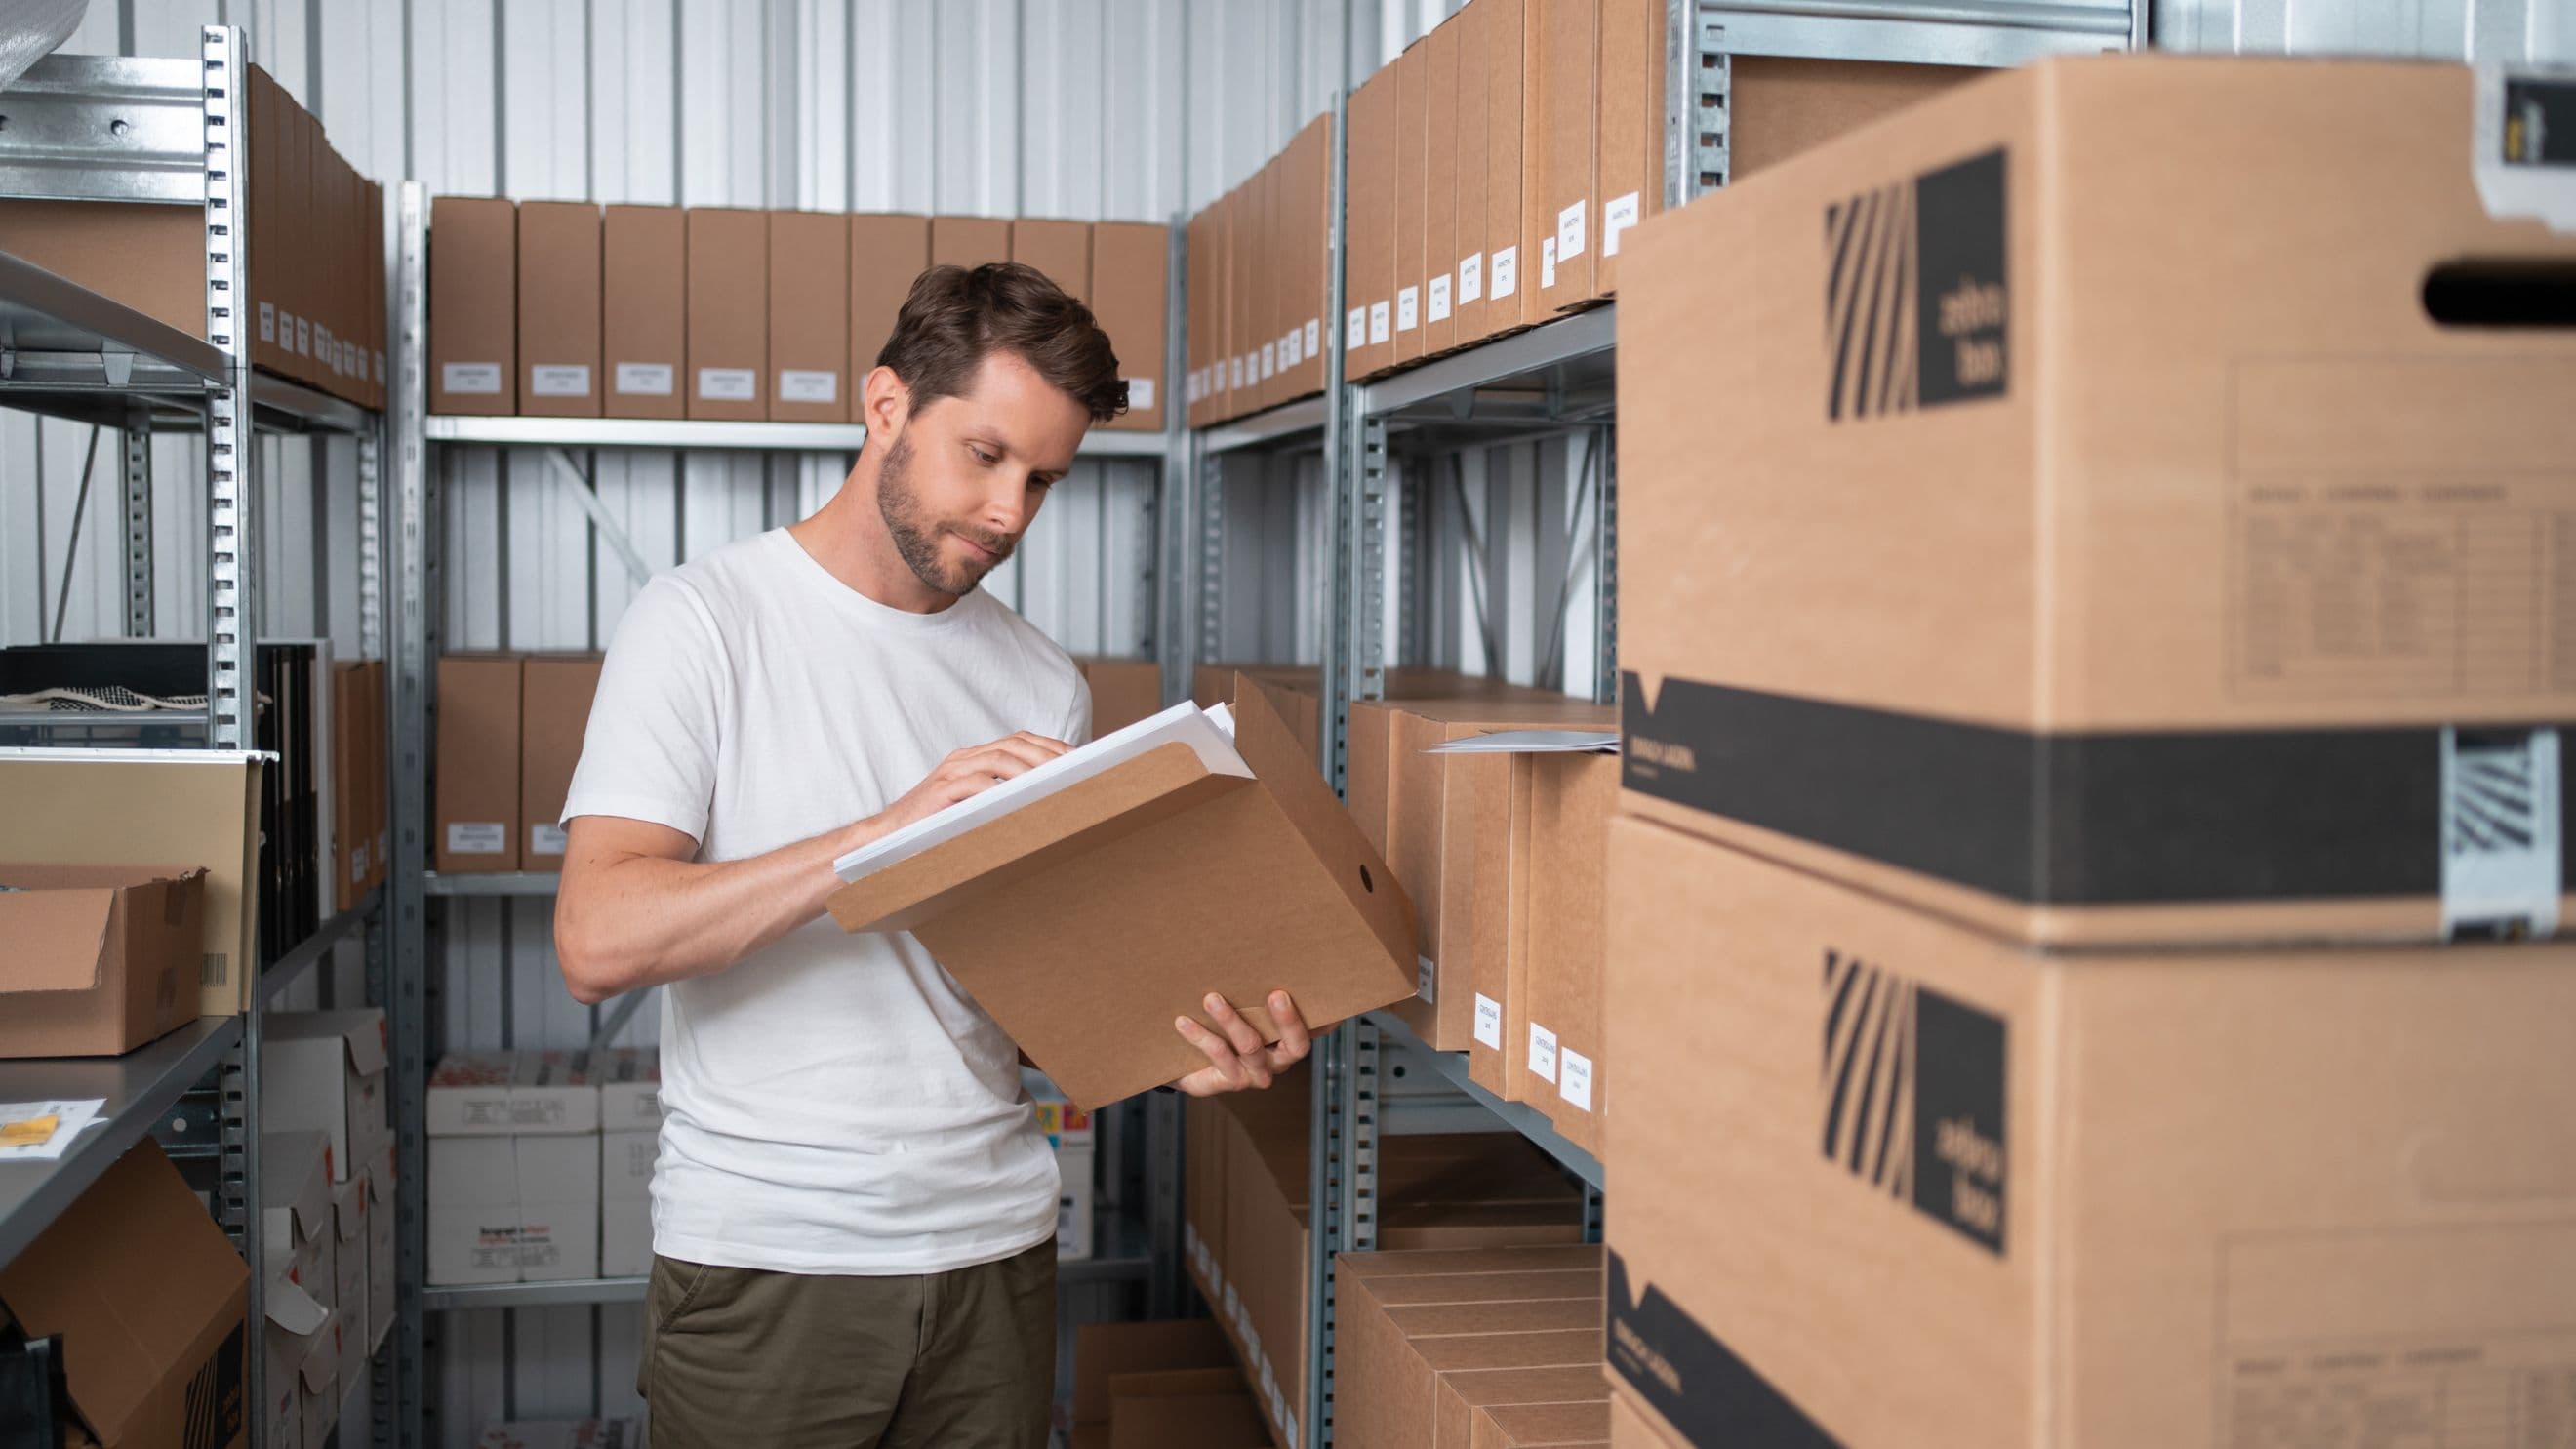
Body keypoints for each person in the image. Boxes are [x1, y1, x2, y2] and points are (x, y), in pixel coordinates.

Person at [552, 262, 1308, 1449]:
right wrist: (881, 838)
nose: (1011, 513)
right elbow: (596, 942)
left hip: (994, 1259)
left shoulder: (1038, 680)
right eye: (986, 455)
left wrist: (1179, 1047)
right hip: (770, 1263)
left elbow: (1022, 994)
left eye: (1044, 480)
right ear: (886, 406)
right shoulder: (702, 623)